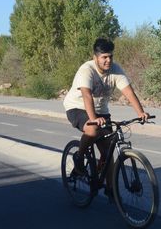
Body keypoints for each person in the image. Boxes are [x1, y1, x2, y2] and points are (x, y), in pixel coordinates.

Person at [63, 38, 149, 194]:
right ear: (95, 57)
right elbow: (87, 96)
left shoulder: (115, 70)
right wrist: (93, 119)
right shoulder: (86, 70)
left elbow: (129, 92)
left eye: (110, 56)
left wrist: (141, 113)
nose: (108, 60)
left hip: (101, 111)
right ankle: (79, 157)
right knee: (93, 130)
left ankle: (110, 189)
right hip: (77, 107)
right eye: (104, 57)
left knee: (108, 150)